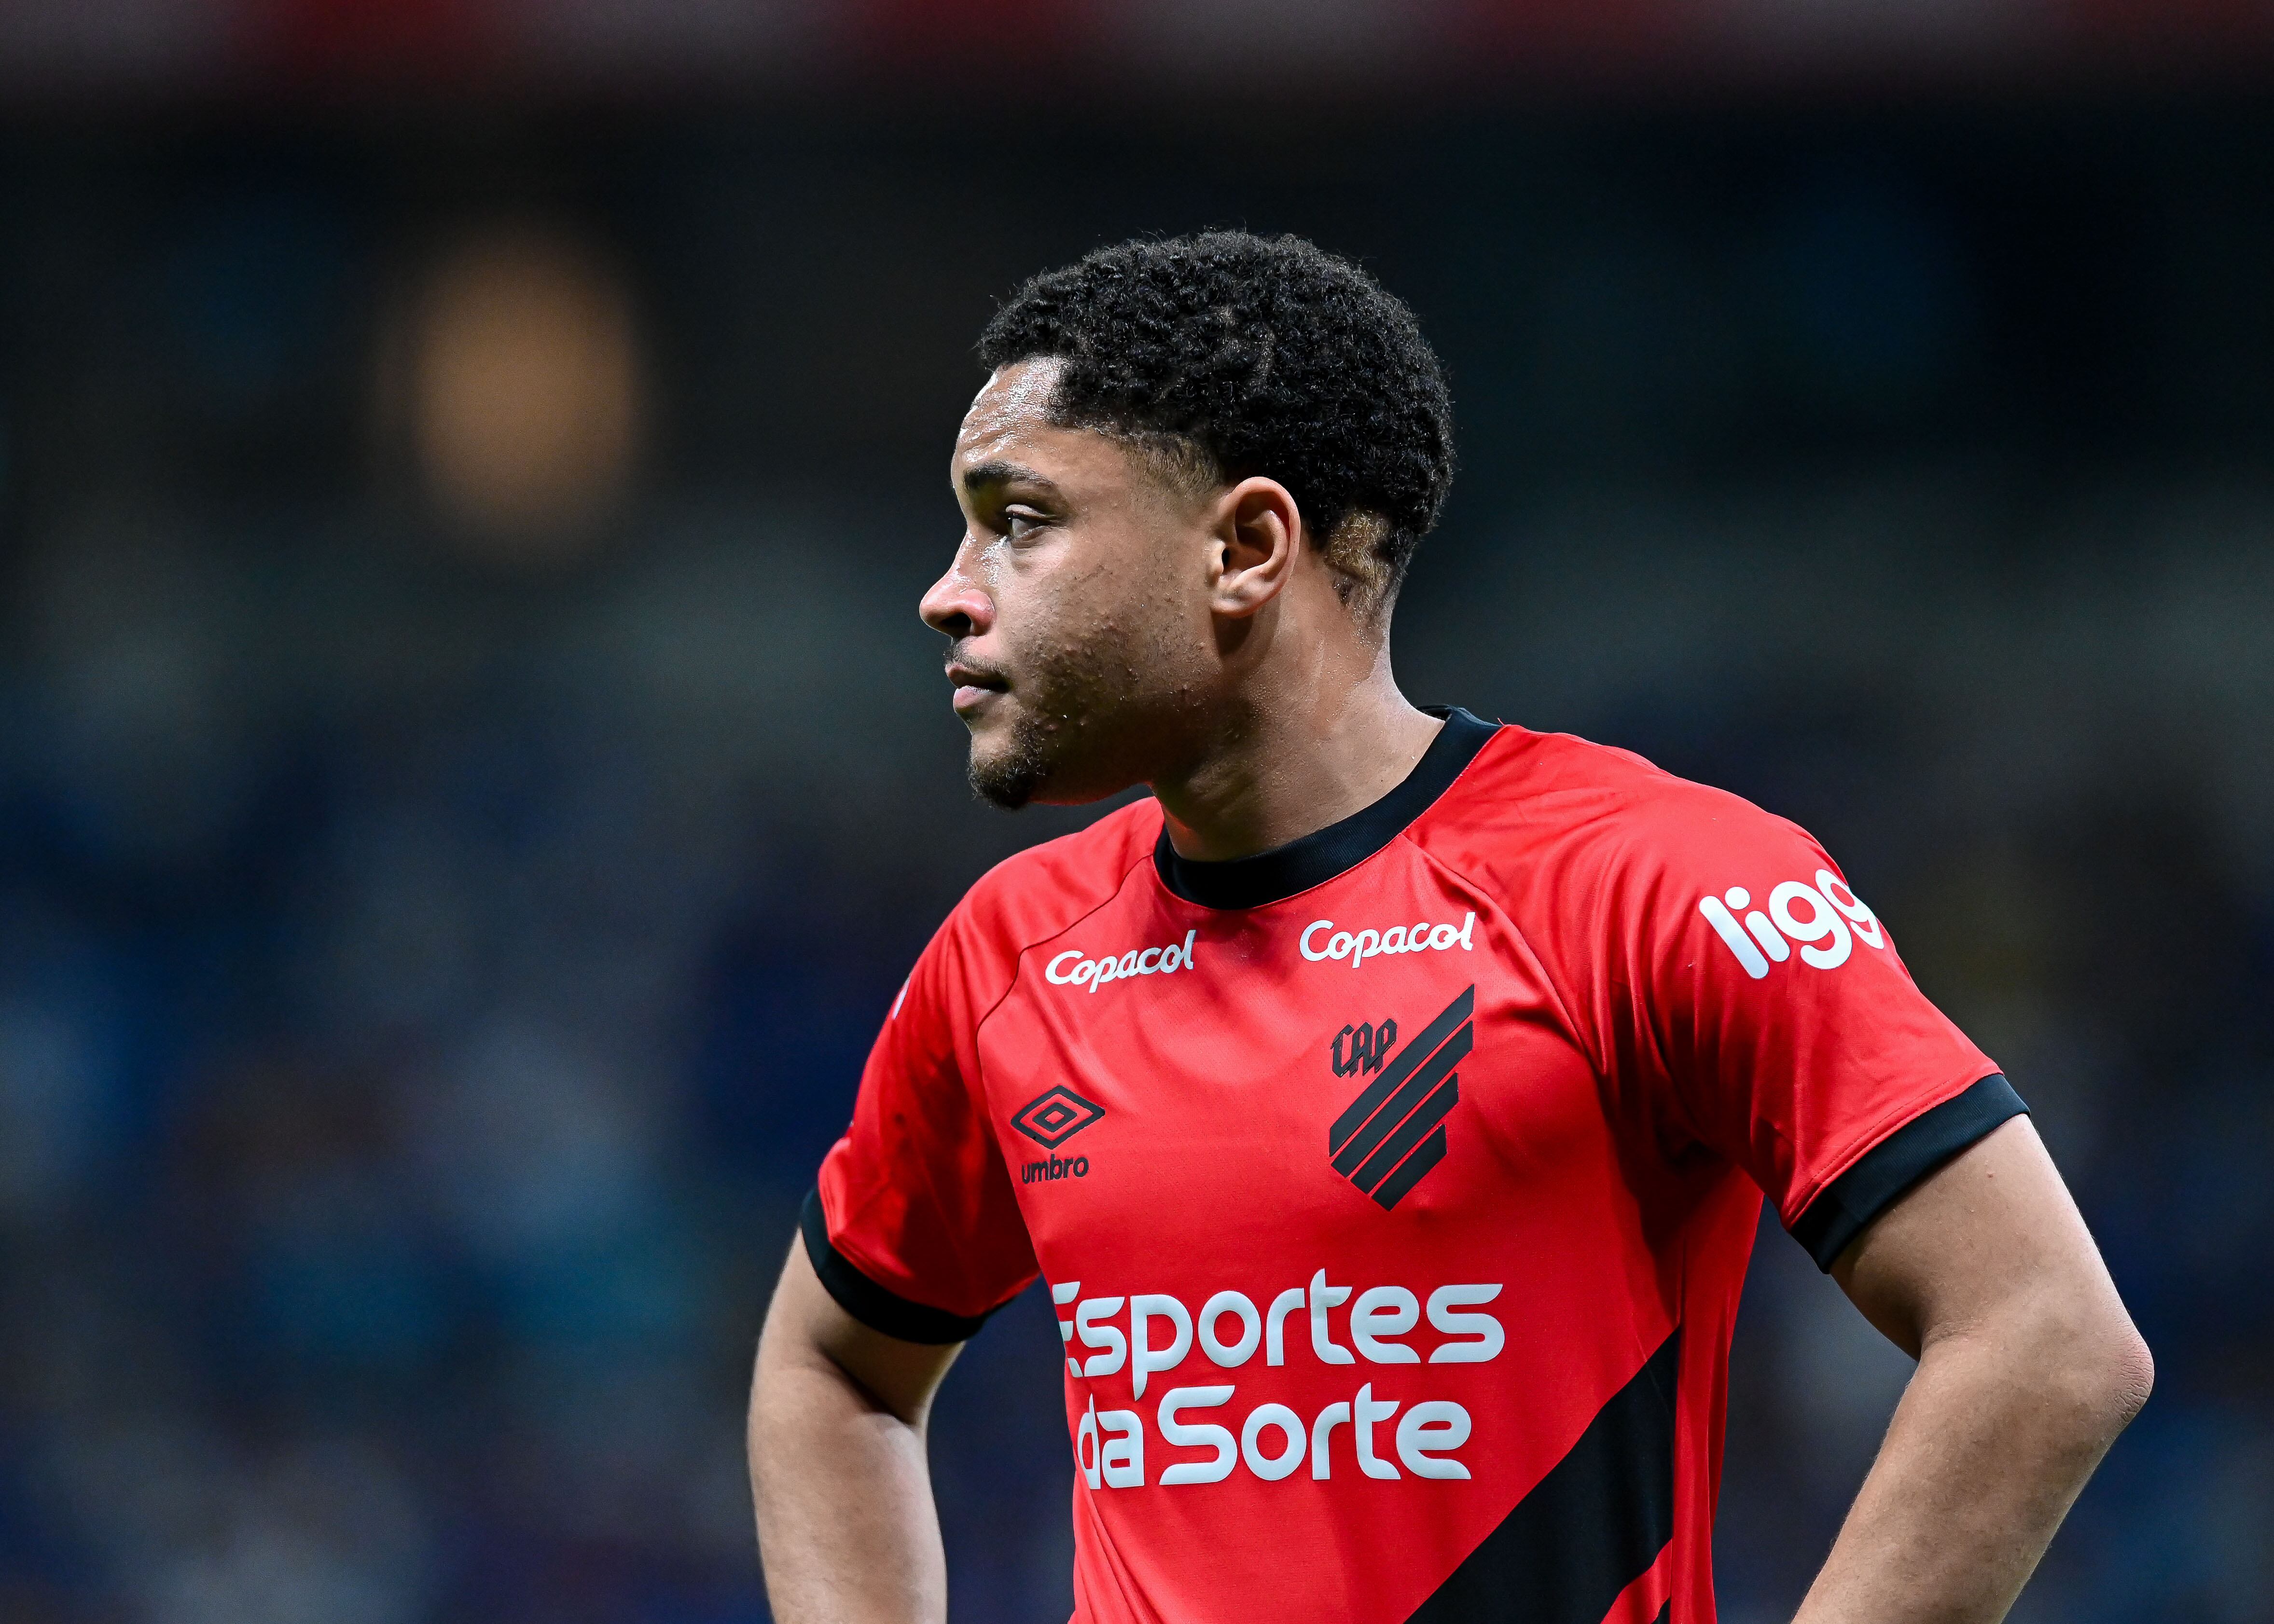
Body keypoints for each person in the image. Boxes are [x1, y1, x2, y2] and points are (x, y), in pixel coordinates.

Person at [747, 231, 2150, 1624]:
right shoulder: (1013, 952)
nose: (949, 587)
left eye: (1022, 520)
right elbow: (834, 1370)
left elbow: (2043, 1335)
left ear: (1245, 547)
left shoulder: (1650, 882)